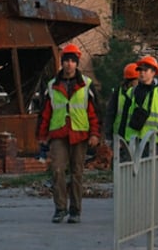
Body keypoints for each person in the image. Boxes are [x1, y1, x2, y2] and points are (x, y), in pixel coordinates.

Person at [36, 42, 100, 224]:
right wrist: (42, 137)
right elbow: (45, 113)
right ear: (62, 62)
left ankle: (75, 211)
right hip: (58, 134)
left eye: (72, 61)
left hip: (80, 134)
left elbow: (94, 112)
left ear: (77, 63)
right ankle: (60, 208)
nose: (69, 64)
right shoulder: (52, 85)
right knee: (57, 170)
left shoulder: (86, 85)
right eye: (66, 60)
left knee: (77, 173)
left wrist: (95, 134)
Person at [124, 55, 158, 148]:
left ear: (153, 73)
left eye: (145, 70)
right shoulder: (131, 92)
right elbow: (123, 117)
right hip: (133, 141)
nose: (142, 73)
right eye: (140, 70)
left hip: (154, 142)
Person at [101, 62, 139, 152]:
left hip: (134, 137)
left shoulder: (140, 93)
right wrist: (108, 136)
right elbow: (110, 114)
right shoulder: (118, 93)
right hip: (118, 138)